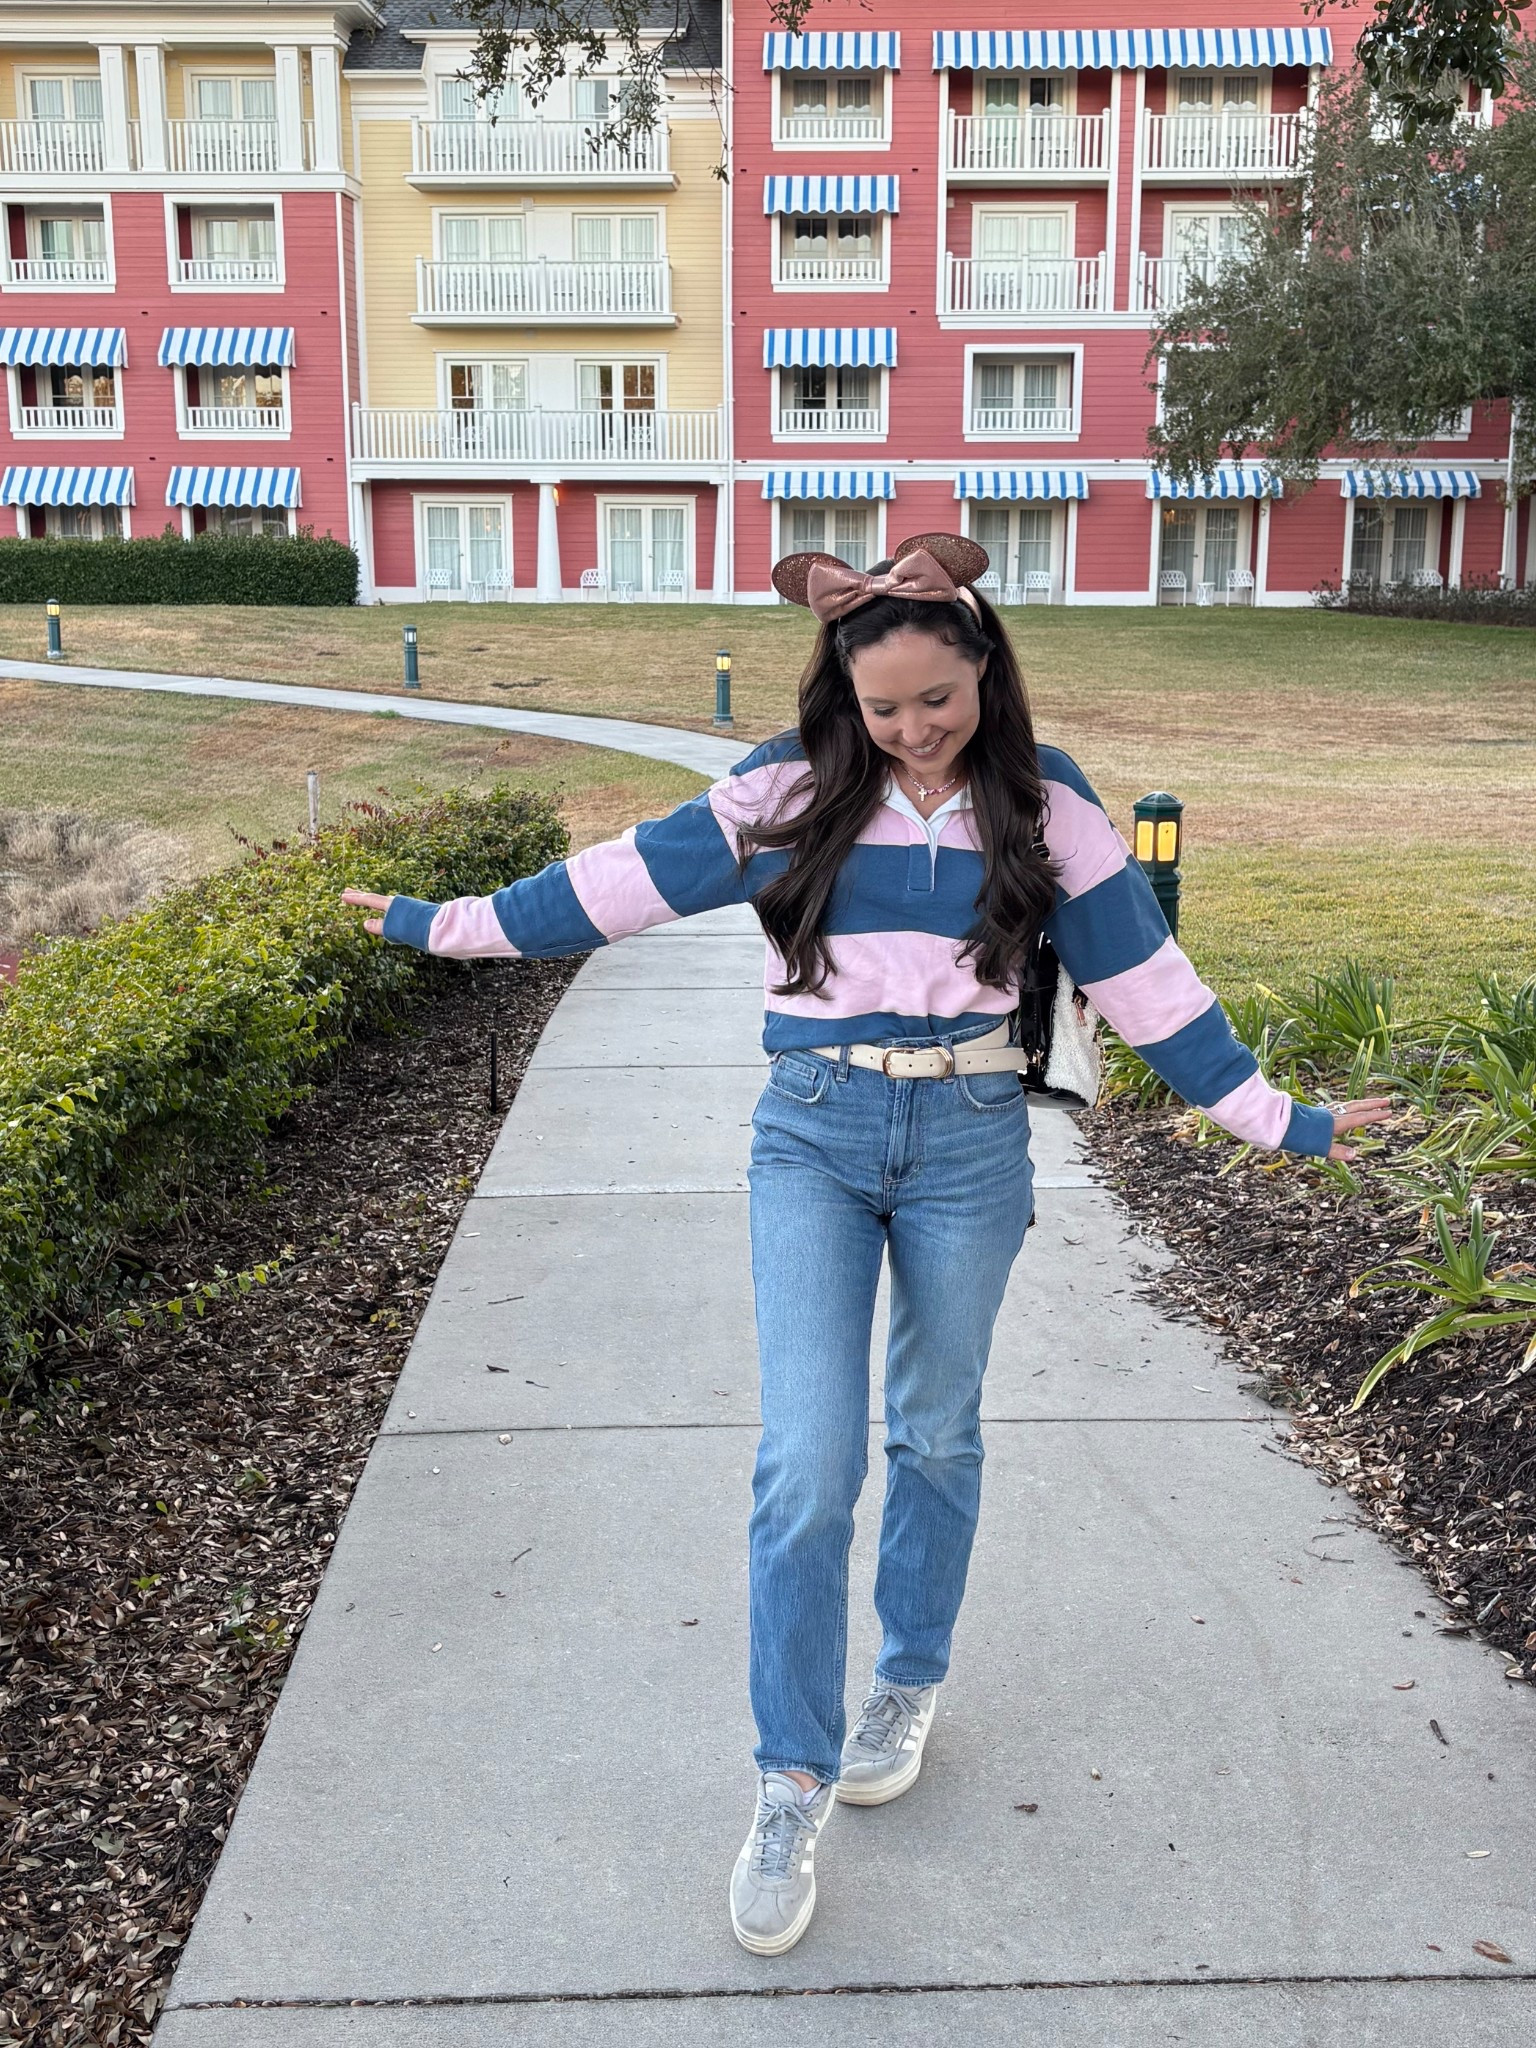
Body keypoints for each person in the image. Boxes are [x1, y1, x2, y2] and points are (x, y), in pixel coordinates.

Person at [342, 532, 1389, 1959]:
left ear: (985, 673)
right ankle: (788, 1778)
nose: (911, 731)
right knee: (806, 1466)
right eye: (884, 707)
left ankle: (907, 1675)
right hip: (815, 1135)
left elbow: (1151, 988)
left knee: (940, 1434)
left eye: (937, 702)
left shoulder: (1044, 802)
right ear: (845, 692)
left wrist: (1291, 1123)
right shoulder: (790, 789)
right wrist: (441, 923)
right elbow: (620, 882)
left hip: (969, 1139)